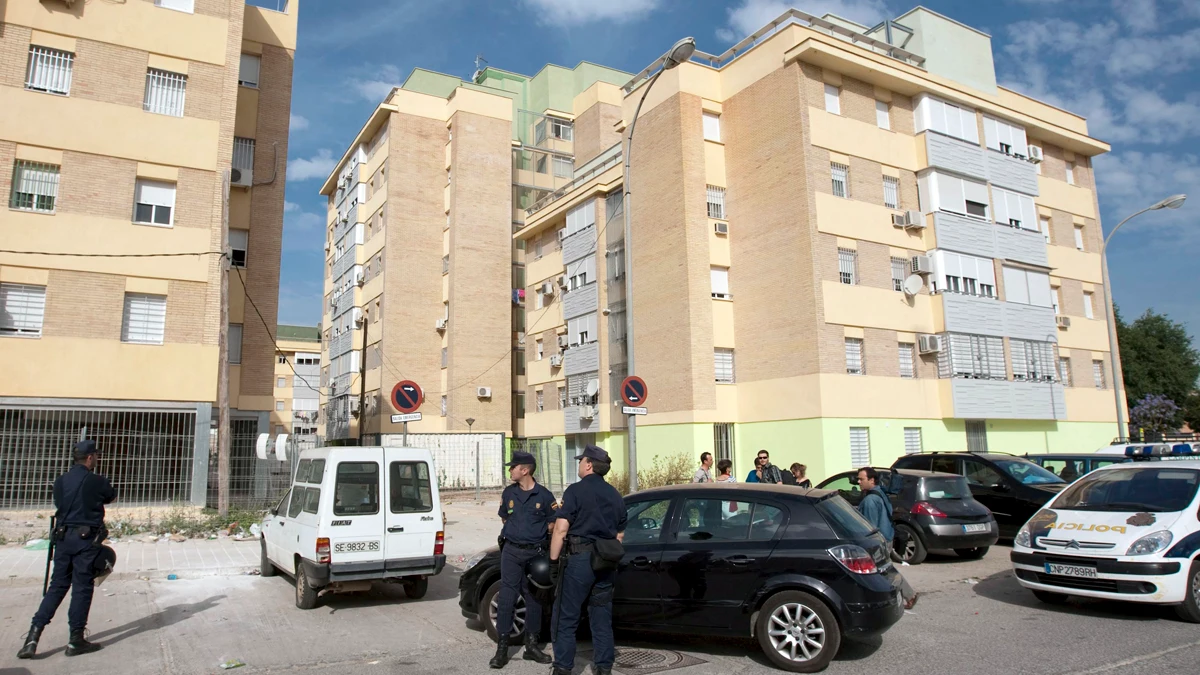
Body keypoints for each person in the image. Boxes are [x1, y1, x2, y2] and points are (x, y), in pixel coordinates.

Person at [18, 440, 116, 659]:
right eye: (96, 456)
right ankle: (75, 640)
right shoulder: (96, 480)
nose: (97, 459)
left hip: (62, 539)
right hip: (86, 541)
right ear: (90, 458)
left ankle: (32, 638)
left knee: (57, 586)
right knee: (82, 587)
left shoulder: (61, 481)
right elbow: (110, 496)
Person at [549, 445, 626, 675]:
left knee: (566, 617)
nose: (579, 464)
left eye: (581, 460)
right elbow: (619, 536)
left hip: (580, 559)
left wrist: (553, 563)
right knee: (601, 616)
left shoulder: (575, 491)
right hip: (606, 561)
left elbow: (560, 530)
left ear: (589, 464)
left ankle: (562, 668)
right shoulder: (615, 494)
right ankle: (603, 668)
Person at [489, 451, 556, 669]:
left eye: (513, 467)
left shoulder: (545, 496)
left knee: (534, 598)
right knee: (507, 597)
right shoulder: (509, 492)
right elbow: (504, 516)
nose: (510, 470)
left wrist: (534, 534)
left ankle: (532, 646)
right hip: (511, 551)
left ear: (524, 470)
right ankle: (502, 649)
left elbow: (553, 524)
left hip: (535, 553)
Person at [856, 467, 918, 610]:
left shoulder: (870, 500)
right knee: (886, 570)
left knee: (884, 572)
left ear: (871, 480)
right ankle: (907, 596)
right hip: (887, 537)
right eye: (858, 479)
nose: (858, 482)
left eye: (861, 479)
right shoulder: (881, 492)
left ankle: (905, 596)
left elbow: (868, 527)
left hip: (879, 541)